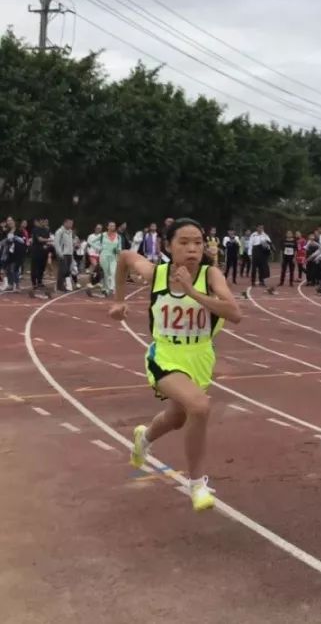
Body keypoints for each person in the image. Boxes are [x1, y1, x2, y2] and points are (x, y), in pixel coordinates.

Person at [108, 218, 243, 512]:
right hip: (165, 356)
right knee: (200, 406)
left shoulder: (211, 275)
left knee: (178, 418)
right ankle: (196, 484)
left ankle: (144, 437)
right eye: (184, 242)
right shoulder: (156, 273)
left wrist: (193, 292)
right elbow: (125, 258)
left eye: (198, 242)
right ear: (168, 246)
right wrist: (118, 301)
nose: (192, 248)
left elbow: (234, 313)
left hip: (200, 357)